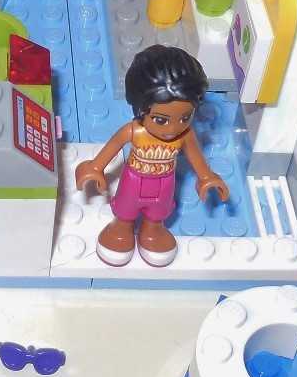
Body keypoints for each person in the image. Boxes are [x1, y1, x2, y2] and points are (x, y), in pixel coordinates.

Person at [74, 45, 229, 267]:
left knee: (158, 212)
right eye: (161, 120)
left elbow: (197, 159)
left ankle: (152, 231)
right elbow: (111, 149)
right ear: (141, 110)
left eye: (185, 118)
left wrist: (207, 178)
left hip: (165, 182)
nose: (173, 129)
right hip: (134, 180)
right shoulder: (134, 131)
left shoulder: (186, 135)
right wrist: (94, 168)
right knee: (126, 209)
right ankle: (121, 229)